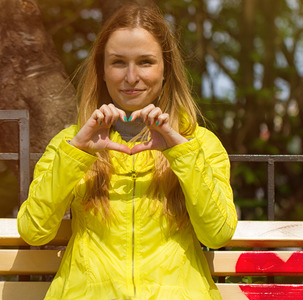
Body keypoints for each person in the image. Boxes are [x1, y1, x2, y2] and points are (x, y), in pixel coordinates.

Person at [17, 3, 237, 299]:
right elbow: (34, 231)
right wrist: (77, 153)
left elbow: (218, 234)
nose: (131, 77)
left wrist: (179, 153)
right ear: (103, 71)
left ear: (166, 71)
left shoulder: (198, 143)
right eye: (118, 62)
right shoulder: (71, 143)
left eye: (145, 62)